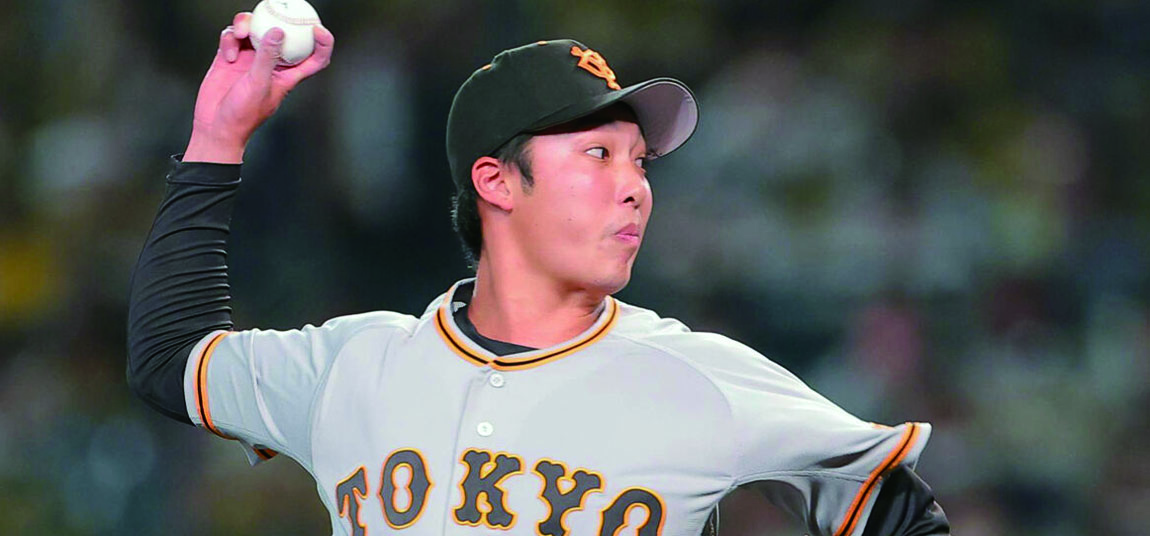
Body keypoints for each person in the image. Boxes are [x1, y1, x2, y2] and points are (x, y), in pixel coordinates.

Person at [127, 11, 950, 536]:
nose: (635, 185)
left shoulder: (702, 377)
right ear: (496, 182)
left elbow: (899, 513)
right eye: (598, 155)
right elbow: (170, 361)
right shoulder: (356, 365)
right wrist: (218, 137)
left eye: (640, 161)